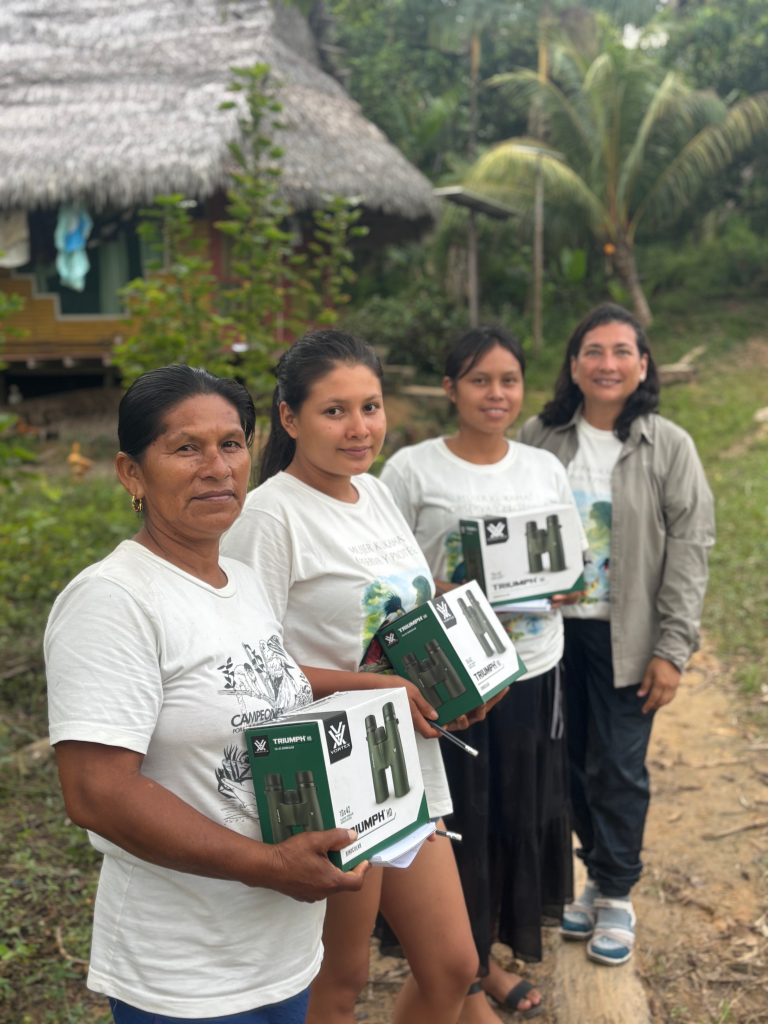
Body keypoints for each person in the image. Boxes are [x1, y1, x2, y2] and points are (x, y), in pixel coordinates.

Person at [45, 366, 369, 1024]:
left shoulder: (242, 581)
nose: (217, 467)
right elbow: (97, 792)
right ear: (131, 474)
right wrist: (269, 865)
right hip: (185, 972)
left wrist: (376, 686)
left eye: (231, 443)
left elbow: (258, 685)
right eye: (185, 448)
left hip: (281, 950)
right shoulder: (114, 600)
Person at [220, 330, 482, 1024]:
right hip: (334, 773)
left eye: (370, 406)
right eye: (335, 411)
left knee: (452, 965)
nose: (359, 427)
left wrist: (459, 678)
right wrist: (380, 689)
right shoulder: (268, 515)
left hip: (405, 758)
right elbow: (251, 669)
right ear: (289, 418)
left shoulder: (373, 492)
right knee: (341, 979)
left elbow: (401, 621)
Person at [381, 325, 586, 1022]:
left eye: (508, 380)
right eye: (478, 380)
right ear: (450, 389)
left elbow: (571, 562)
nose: (495, 394)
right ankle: (469, 978)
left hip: (532, 668)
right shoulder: (410, 470)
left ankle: (485, 957)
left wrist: (562, 584)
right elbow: (385, 569)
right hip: (450, 684)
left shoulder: (541, 468)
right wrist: (441, 587)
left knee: (515, 813)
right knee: (459, 820)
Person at [518, 303, 715, 967]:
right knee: (567, 765)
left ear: (643, 365)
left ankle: (618, 893)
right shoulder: (539, 438)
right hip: (547, 637)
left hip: (627, 636)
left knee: (619, 767)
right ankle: (593, 876)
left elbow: (691, 545)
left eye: (621, 351)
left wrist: (673, 647)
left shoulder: (669, 445)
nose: (607, 364)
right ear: (573, 365)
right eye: (593, 351)